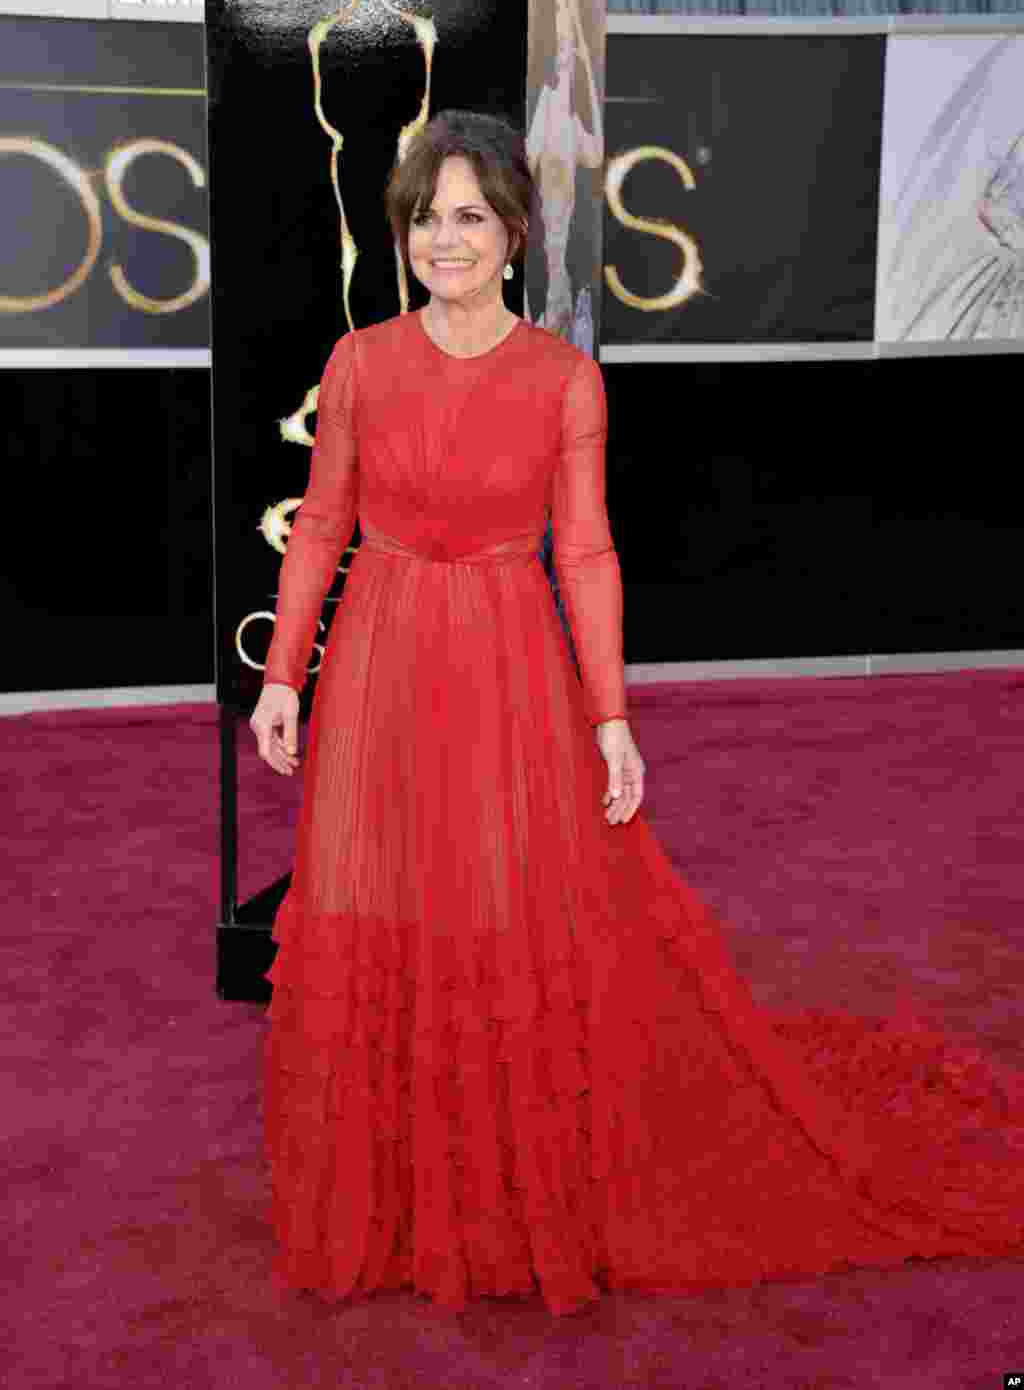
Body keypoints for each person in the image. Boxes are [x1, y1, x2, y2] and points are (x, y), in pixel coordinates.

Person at [250, 109, 1024, 1318]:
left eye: (470, 217)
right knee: (374, 901)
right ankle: (388, 1194)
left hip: (506, 664)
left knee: (497, 909)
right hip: (376, 663)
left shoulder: (562, 379)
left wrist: (609, 714)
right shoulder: (360, 363)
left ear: (514, 234)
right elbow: (322, 527)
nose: (445, 240)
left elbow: (586, 551)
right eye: (425, 218)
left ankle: (494, 1193)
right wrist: (284, 674)